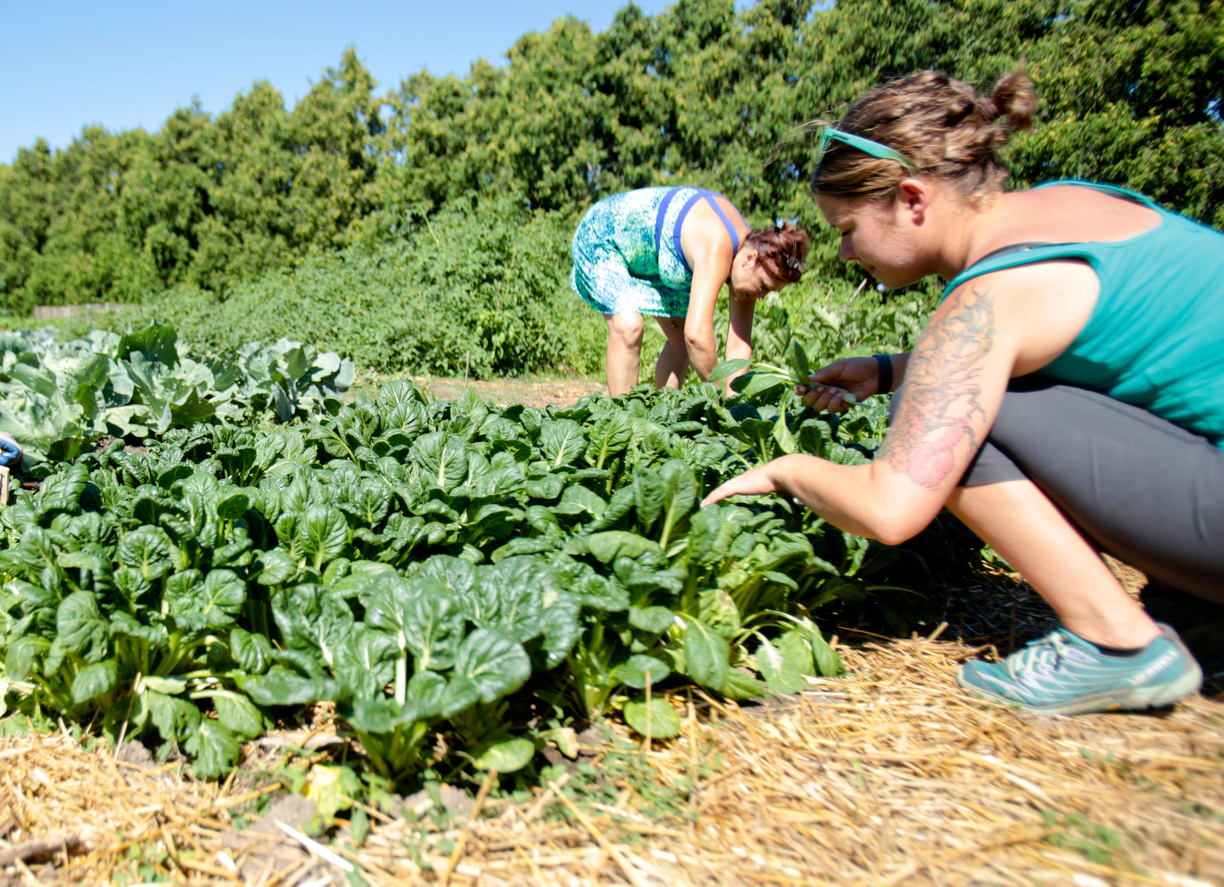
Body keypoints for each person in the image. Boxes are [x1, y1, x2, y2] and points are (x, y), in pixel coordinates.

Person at [702, 69, 1223, 716]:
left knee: (942, 417)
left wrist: (789, 470)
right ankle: (1199, 601)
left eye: (846, 229)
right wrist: (896, 366)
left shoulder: (989, 294)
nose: (844, 252)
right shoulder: (1068, 205)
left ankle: (1119, 644)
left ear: (913, 199)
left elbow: (892, 509)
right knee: (940, 390)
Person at [570, 187, 810, 396]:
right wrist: (720, 398)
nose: (761, 297)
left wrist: (736, 408)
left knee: (679, 343)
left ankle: (662, 417)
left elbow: (738, 347)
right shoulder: (719, 245)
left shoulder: (748, 259)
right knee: (629, 327)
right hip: (603, 236)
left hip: (651, 258)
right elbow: (697, 336)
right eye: (764, 287)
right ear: (750, 259)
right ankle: (620, 429)